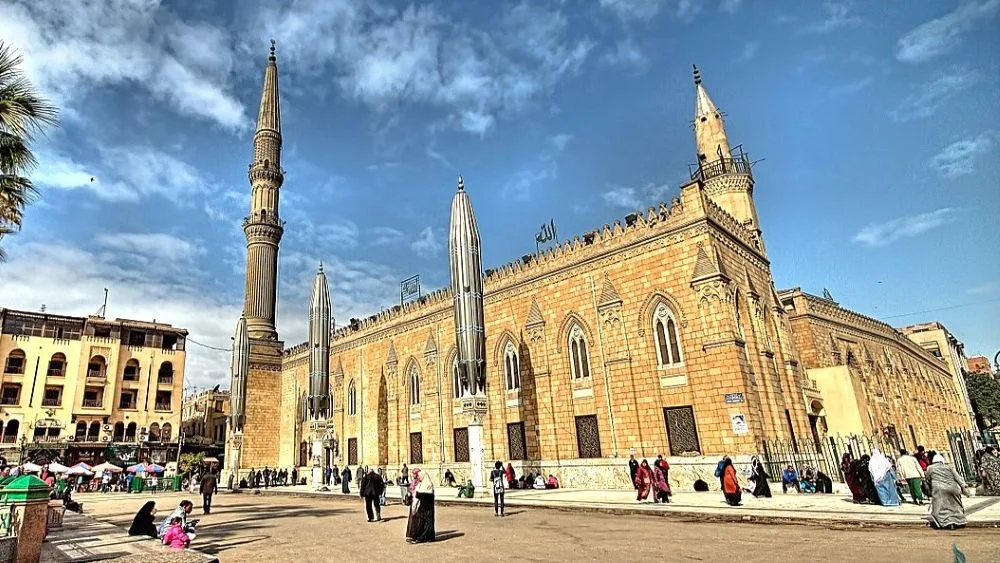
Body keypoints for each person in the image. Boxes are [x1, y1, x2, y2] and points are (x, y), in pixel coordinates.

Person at [924, 454, 967, 529]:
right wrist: (963, 487)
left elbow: (928, 478)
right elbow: (958, 478)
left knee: (940, 507)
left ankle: (946, 523)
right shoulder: (949, 467)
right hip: (953, 488)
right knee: (955, 505)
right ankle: (958, 521)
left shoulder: (930, 468)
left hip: (939, 489)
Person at [406, 468, 436, 544]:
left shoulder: (428, 484)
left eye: (419, 476)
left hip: (427, 508)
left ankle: (423, 537)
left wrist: (418, 494)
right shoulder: (421, 483)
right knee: (423, 522)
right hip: (422, 507)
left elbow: (428, 495)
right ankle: (422, 536)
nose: (418, 477)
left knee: (427, 523)